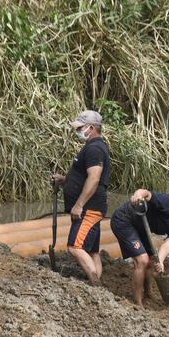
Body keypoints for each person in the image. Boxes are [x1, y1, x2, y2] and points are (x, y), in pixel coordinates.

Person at [51, 110, 110, 285]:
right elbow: (85, 177)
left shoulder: (94, 148)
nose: (77, 131)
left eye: (80, 128)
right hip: (92, 207)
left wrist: (79, 204)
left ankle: (96, 286)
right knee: (92, 251)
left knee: (75, 247)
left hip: (89, 208)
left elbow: (94, 178)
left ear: (91, 128)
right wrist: (64, 180)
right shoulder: (92, 147)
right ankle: (97, 284)